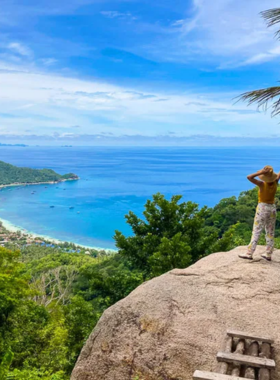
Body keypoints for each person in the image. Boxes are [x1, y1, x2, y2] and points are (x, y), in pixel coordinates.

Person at [239, 165, 280, 261]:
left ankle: (249, 253)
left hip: (262, 208)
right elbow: (278, 175)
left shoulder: (262, 184)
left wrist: (260, 172)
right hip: (272, 208)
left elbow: (249, 177)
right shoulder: (275, 182)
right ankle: (268, 253)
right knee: (270, 231)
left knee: (257, 230)